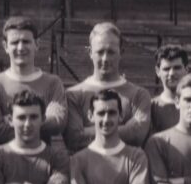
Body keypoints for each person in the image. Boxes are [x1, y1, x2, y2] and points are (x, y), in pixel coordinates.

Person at [64, 22, 152, 152]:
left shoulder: (139, 94)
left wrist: (87, 132)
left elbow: (136, 135)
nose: (105, 58)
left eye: (111, 52)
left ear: (121, 52)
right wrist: (124, 129)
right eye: (100, 52)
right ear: (90, 52)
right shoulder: (73, 94)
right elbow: (74, 139)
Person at [0, 16, 68, 145]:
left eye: (26, 41)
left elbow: (57, 124)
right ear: (5, 46)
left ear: (37, 44)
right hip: (4, 156)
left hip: (42, 155)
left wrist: (14, 121)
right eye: (14, 42)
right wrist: (38, 121)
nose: (20, 47)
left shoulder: (53, 83)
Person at [150, 45, 190, 135]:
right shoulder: (150, 107)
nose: (171, 73)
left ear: (186, 69)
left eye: (177, 68)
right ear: (158, 71)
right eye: (166, 69)